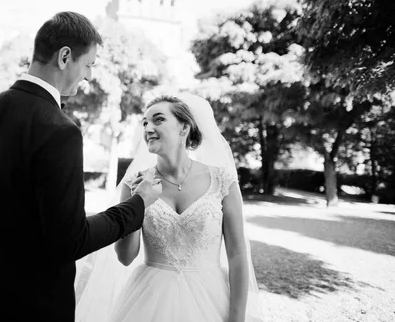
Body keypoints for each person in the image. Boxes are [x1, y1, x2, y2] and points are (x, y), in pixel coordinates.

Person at [0, 11, 162, 322]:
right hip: (30, 307)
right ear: (65, 57)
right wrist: (137, 204)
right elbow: (69, 240)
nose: (89, 76)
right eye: (88, 65)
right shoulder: (59, 130)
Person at [75, 94, 262, 322]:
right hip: (147, 302)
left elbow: (237, 255)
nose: (148, 128)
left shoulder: (223, 182)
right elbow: (125, 257)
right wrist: (138, 202)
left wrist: (237, 317)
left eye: (158, 120)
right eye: (145, 122)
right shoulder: (135, 183)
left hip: (212, 300)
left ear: (184, 128)